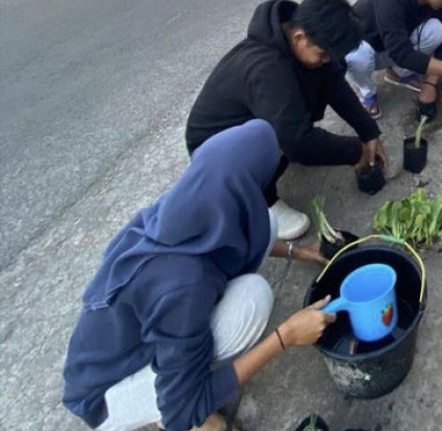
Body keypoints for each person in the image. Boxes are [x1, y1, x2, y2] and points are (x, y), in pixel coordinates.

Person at [63, 120, 337, 431]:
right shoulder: (185, 284)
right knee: (252, 299)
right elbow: (182, 409)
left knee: (267, 224)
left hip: (143, 332)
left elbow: (241, 229)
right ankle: (184, 413)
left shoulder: (182, 206)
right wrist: (286, 335)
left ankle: (180, 368)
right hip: (107, 396)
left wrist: (297, 252)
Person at [186, 0, 388, 240]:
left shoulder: (299, 34)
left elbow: (334, 84)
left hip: (249, 127)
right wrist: (355, 152)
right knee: (288, 139)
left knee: (292, 121)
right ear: (299, 37)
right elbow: (298, 142)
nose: (327, 61)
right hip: (215, 151)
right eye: (323, 54)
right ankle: (262, 201)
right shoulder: (267, 68)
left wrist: (368, 131)